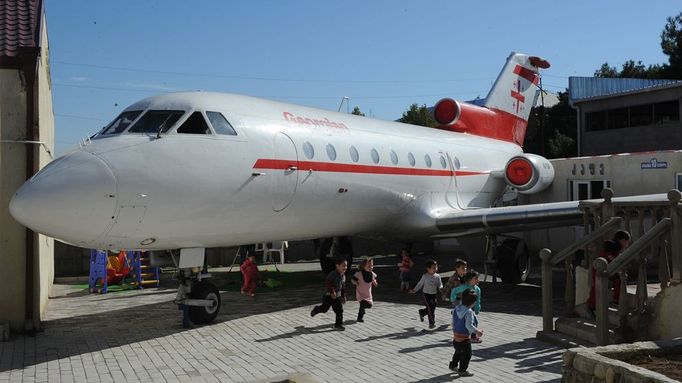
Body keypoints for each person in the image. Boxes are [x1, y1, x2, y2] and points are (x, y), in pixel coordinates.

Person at [587, 230, 631, 312]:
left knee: (617, 280)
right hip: (601, 268)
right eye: (627, 242)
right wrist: (616, 264)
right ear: (622, 240)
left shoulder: (612, 244)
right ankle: (592, 305)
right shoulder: (614, 246)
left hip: (602, 267)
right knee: (598, 286)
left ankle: (593, 304)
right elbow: (609, 256)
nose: (627, 245)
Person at [450, 290, 482, 377]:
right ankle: (462, 370)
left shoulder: (457, 308)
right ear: (473, 302)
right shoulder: (469, 312)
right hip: (464, 338)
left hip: (456, 337)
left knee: (458, 351)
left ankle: (453, 365)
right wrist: (477, 332)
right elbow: (469, 325)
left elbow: (453, 321)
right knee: (467, 354)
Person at [311, 258, 348, 330]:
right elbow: (328, 283)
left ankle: (338, 324)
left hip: (337, 297)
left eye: (346, 266)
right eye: (343, 265)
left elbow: (342, 287)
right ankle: (316, 310)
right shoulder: (333, 274)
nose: (345, 267)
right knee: (324, 309)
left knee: (339, 310)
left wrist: (343, 296)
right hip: (328, 296)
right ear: (337, 266)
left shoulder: (343, 276)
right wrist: (332, 292)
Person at [409, 259, 443, 329]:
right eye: (433, 268)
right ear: (428, 269)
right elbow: (419, 284)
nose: (435, 269)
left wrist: (441, 288)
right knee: (430, 309)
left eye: (436, 267)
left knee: (432, 308)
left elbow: (440, 284)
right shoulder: (425, 276)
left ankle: (422, 312)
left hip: (434, 294)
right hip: (426, 294)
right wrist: (414, 290)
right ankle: (431, 323)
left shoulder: (438, 276)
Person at [352, 257, 378, 322]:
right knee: (362, 304)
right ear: (363, 266)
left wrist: (374, 282)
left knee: (369, 305)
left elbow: (373, 279)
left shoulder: (372, 274)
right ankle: (359, 317)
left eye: (372, 266)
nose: (371, 267)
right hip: (360, 293)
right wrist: (355, 282)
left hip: (368, 294)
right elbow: (352, 280)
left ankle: (362, 311)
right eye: (369, 266)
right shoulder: (359, 274)